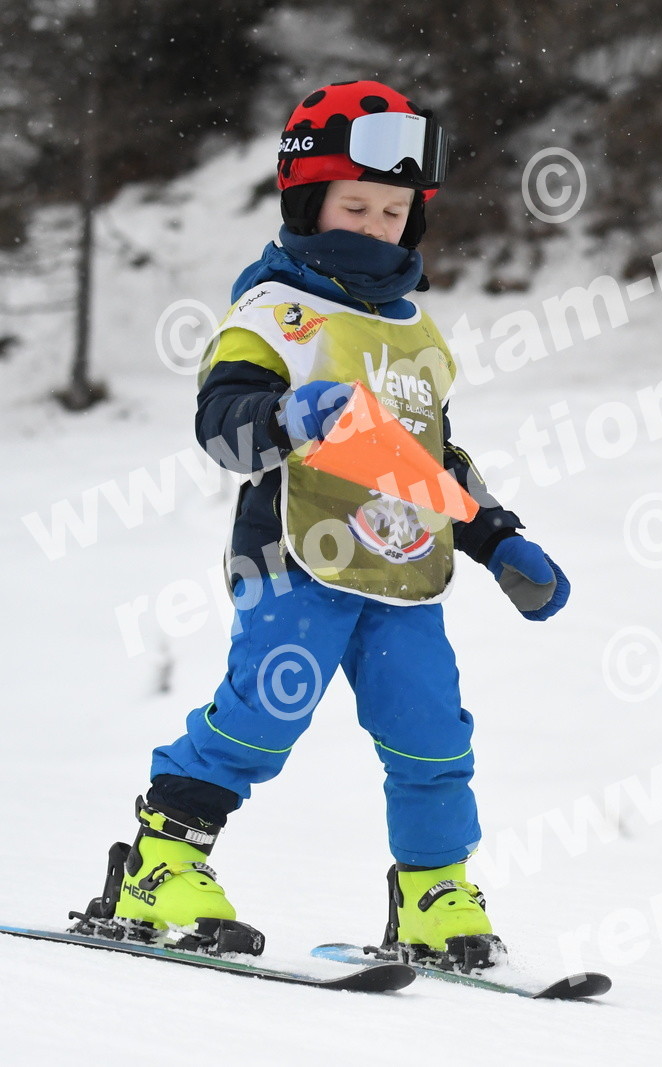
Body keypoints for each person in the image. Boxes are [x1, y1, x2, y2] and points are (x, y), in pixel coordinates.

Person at [77, 80, 565, 972]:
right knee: (264, 713)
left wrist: (497, 538)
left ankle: (434, 890)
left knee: (431, 730)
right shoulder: (275, 312)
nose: (376, 227)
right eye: (355, 207)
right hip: (292, 556)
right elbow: (221, 424)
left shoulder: (417, 335)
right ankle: (161, 863)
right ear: (308, 202)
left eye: (393, 211)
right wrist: (289, 415)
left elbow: (434, 457)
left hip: (404, 567)